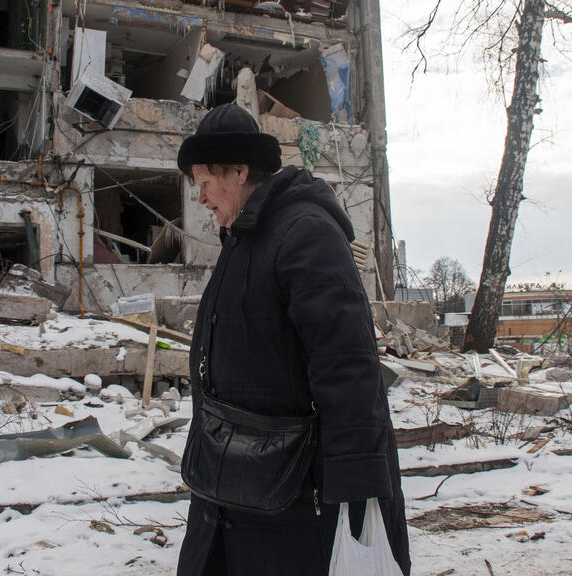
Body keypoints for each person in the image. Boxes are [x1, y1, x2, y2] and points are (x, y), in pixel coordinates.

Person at [176, 103, 410, 575]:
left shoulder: (305, 234)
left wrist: (358, 495)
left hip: (296, 501)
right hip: (238, 488)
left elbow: (348, 366)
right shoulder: (246, 239)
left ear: (239, 171)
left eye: (204, 183)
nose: (200, 198)